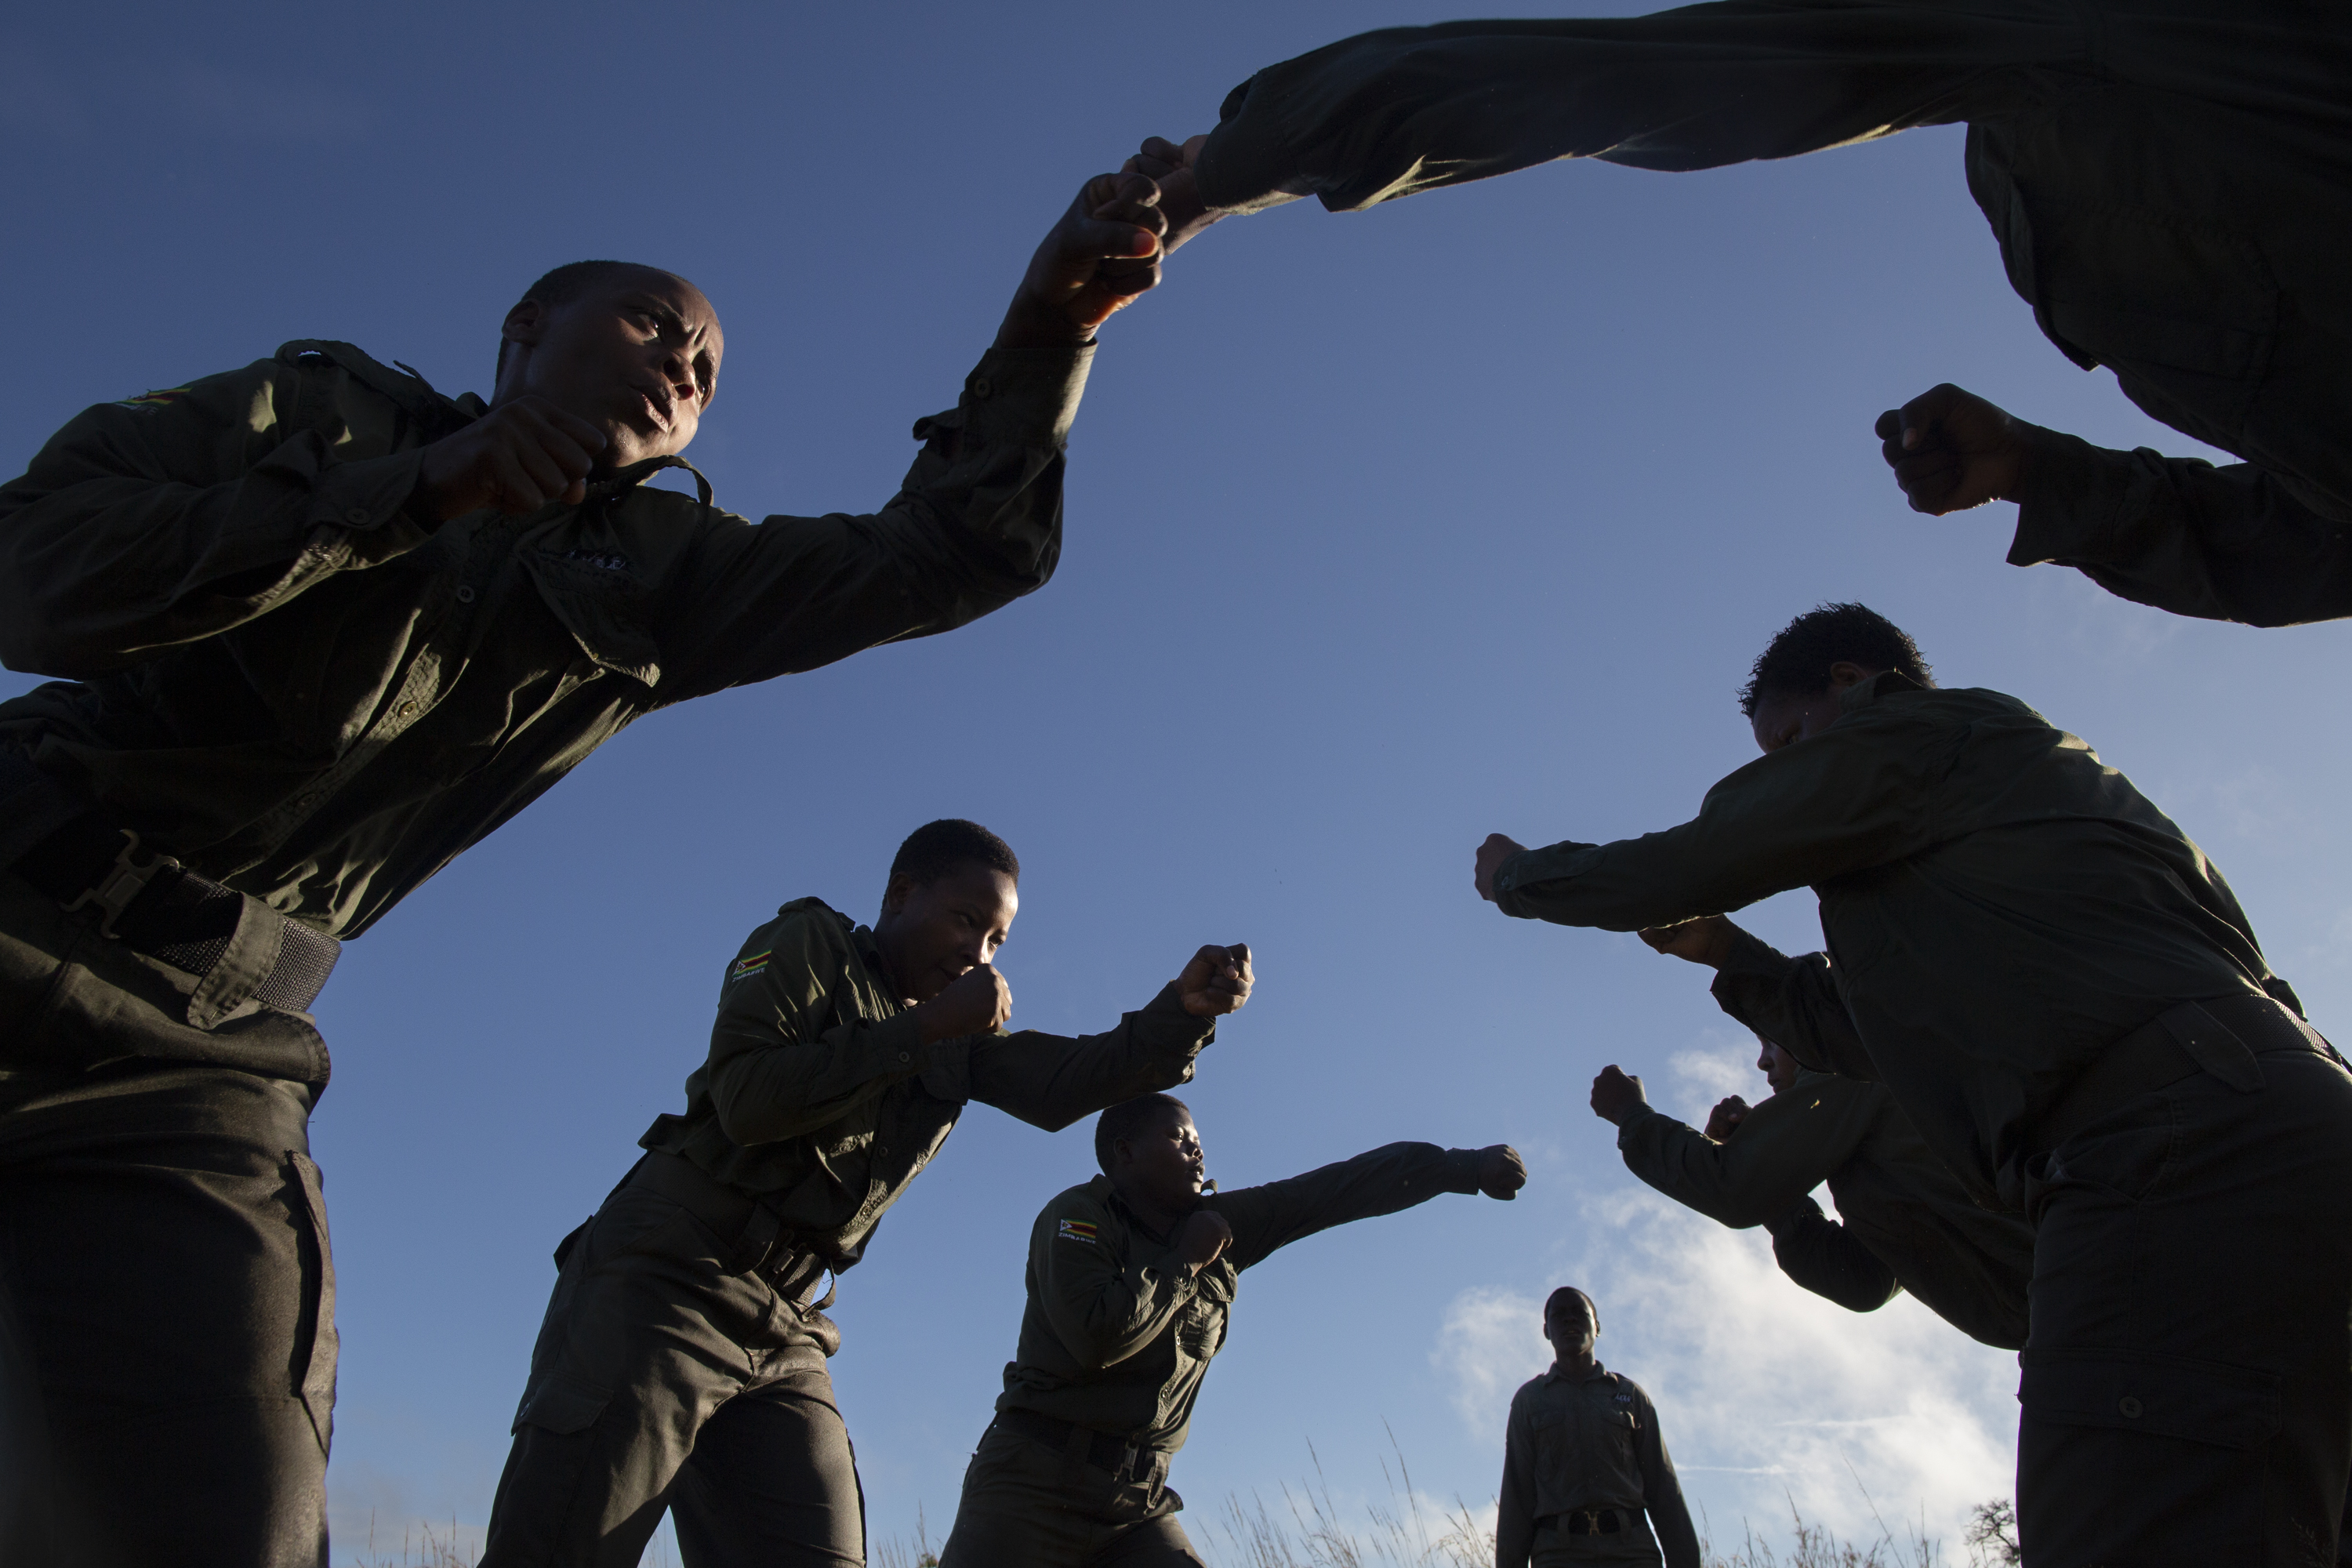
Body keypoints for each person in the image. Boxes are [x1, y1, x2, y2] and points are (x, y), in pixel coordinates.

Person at [0, 167, 1176, 1566]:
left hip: (194, 1052)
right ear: (524, 330)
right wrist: (405, 494)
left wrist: (1051, 325)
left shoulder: (661, 573)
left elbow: (951, 554)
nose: (683, 365)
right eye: (649, 323)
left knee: (231, 1520)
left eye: (707, 370)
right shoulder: (324, 409)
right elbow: (35, 572)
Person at [1468, 601, 2352, 1564]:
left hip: (2163, 1149)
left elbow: (1700, 854)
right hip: (2283, 1115)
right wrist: (1729, 952)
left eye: (1788, 741)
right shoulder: (1992, 820)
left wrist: (1527, 878)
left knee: (2113, 1528)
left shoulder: (1911, 733)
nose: (1782, 772)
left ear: (1850, 683)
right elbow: (1874, 1034)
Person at [1125, 2, 2352, 631]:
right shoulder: (2029, 144)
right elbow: (2315, 538)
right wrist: (2046, 472)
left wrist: (1239, 163)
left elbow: (1694, 79)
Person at [476, 818, 1250, 1567]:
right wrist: (921, 1031)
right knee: (563, 1545)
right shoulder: (810, 945)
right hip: (668, 1277)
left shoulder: (957, 1039)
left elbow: (1063, 1080)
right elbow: (747, 1097)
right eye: (964, 920)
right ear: (900, 893)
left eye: (996, 940)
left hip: (788, 1327)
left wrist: (1177, 1017)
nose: (976, 951)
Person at [938, 1091, 1527, 1566]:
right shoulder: (1079, 1217)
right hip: (1031, 1487)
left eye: (1199, 1141)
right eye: (1179, 1138)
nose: (1198, 1152)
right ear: (1125, 1153)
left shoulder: (1219, 1226)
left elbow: (1332, 1191)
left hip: (1134, 1507)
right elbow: (1100, 1337)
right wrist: (1185, 1264)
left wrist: (1462, 1168)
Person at [1588, 1028, 2032, 1348]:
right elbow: (1863, 1279)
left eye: (1769, 1041)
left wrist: (1633, 1116)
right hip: (2061, 1326)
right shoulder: (1869, 1099)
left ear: (1806, 1025)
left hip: (2082, 1314)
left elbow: (1731, 1187)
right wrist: (1774, 1190)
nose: (1762, 1061)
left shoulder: (1850, 1068)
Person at [1496, 1287, 1700, 1568]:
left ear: (1597, 1327)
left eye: (1579, 1313)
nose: (1570, 1320)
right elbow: (1516, 1500)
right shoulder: (1530, 1401)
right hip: (1559, 1554)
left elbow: (1664, 1489)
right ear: (1546, 1331)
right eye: (1560, 1315)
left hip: (1633, 1553)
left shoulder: (1630, 1396)